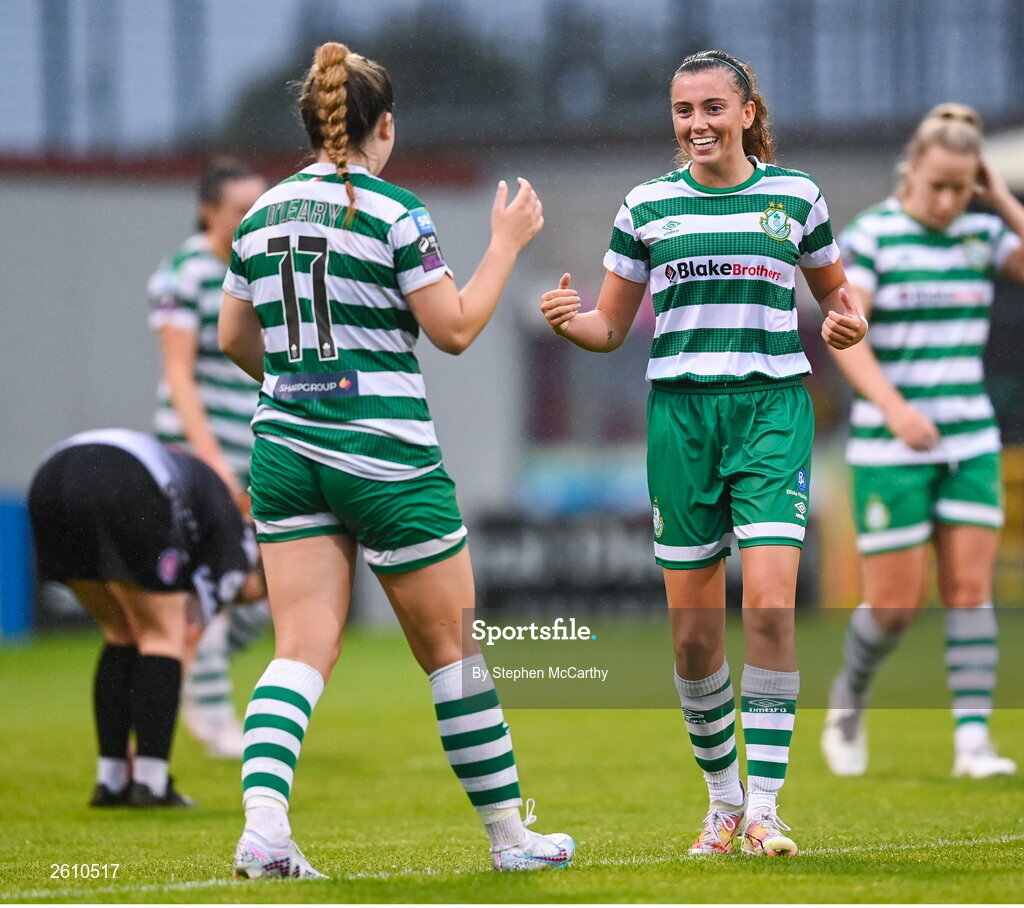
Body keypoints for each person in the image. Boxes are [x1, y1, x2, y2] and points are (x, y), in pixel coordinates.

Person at [218, 41, 574, 879]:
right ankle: (509, 839)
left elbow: (235, 338)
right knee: (453, 651)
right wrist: (505, 243)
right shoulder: (393, 212)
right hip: (386, 455)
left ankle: (264, 830)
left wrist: (304, 385)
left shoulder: (259, 216)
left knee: (299, 648)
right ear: (384, 127)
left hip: (285, 448)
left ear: (312, 123)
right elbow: (452, 328)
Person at [540, 49, 866, 858]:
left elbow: (837, 293)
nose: (698, 126)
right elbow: (610, 328)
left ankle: (767, 808)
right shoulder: (645, 207)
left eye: (714, 109)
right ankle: (723, 802)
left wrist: (847, 321)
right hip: (680, 421)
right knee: (692, 637)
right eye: (685, 112)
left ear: (748, 112)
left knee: (767, 606)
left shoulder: (795, 197)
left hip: (771, 411)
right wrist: (566, 319)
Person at [821, 104, 1024, 779]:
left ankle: (973, 744)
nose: (948, 199)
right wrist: (894, 407)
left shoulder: (979, 233)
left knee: (970, 588)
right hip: (890, 442)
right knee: (897, 607)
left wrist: (1001, 202)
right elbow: (846, 338)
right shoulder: (874, 236)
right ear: (911, 168)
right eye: (938, 183)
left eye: (963, 187)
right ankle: (849, 695)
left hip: (969, 436)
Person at [26, 429, 263, 807]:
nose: (249, 602)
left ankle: (112, 779)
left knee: (120, 633)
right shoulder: (239, 549)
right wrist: (146, 731)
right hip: (125, 476)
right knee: (163, 637)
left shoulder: (211, 518)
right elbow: (184, 644)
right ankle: (150, 782)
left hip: (51, 476)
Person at [148, 157, 270, 759]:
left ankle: (186, 658)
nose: (251, 218)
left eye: (258, 206)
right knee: (216, 580)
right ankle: (216, 716)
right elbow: (179, 377)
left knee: (262, 587)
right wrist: (210, 462)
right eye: (240, 210)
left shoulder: (255, 271)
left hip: (252, 453)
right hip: (195, 458)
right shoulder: (183, 274)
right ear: (207, 212)